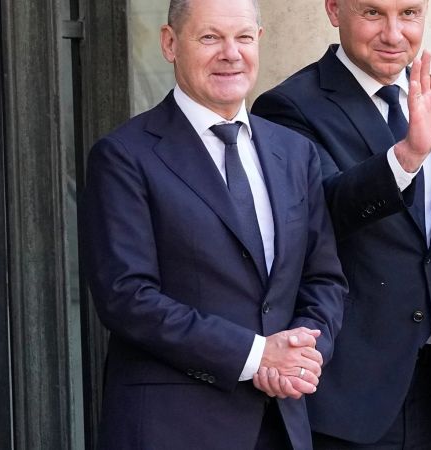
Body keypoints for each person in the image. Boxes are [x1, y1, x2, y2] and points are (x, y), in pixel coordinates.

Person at [82, 0, 348, 448]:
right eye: (210, 38)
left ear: (258, 42)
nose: (230, 53)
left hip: (283, 425)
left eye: (243, 37)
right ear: (170, 43)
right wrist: (256, 355)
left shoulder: (294, 151)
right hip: (175, 428)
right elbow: (127, 297)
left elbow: (323, 278)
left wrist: (303, 358)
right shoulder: (124, 156)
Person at [252, 0, 431, 449]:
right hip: (344, 399)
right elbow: (324, 213)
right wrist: (407, 157)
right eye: (373, 13)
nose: (394, 34)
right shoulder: (288, 107)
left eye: (409, 13)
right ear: (335, 10)